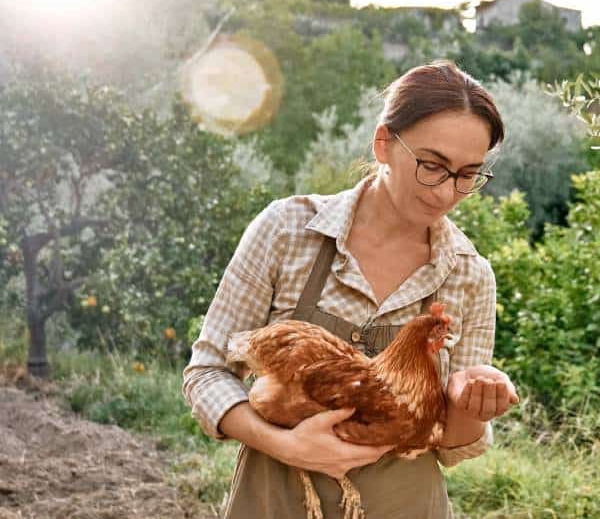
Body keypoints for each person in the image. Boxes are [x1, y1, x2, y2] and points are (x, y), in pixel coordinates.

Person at [182, 60, 519, 518]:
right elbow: (207, 373)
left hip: (402, 505)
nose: (445, 192)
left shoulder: (469, 274)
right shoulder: (288, 230)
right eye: (432, 166)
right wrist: (285, 445)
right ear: (384, 143)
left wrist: (471, 404)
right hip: (274, 500)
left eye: (467, 175)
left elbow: (453, 448)